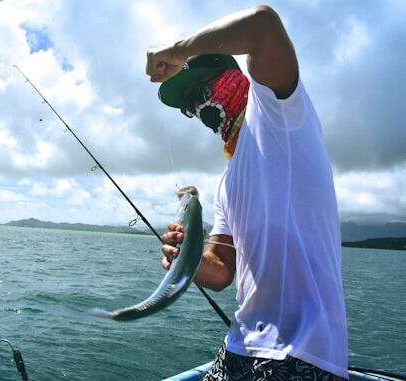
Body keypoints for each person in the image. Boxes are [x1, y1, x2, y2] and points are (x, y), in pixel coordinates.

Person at [146, 5, 348, 380]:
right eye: (190, 105)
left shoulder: (278, 112)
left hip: (301, 354)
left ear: (237, 78)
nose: (199, 106)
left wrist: (178, 52)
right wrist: (186, 256)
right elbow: (221, 271)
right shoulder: (227, 180)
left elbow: (262, 24)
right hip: (238, 345)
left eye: (203, 90)